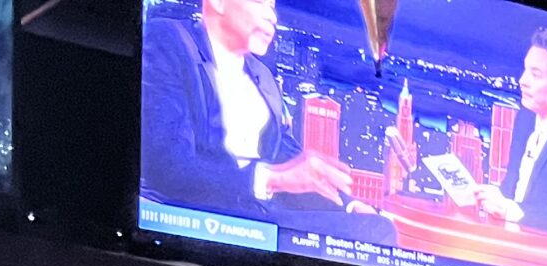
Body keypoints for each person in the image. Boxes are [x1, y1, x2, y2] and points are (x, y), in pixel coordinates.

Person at [142, 0, 398, 228]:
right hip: (203, 216)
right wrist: (272, 180)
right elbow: (167, 167)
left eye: (273, 7)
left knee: (375, 227)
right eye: (260, 3)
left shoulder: (262, 76)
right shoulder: (170, 39)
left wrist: (347, 205)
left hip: (263, 216)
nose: (271, 17)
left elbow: (289, 159)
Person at [466, 29, 547, 232]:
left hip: (546, 250)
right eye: (525, 70)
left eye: (535, 74)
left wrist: (512, 212)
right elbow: (513, 186)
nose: (522, 81)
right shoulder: (526, 117)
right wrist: (493, 197)